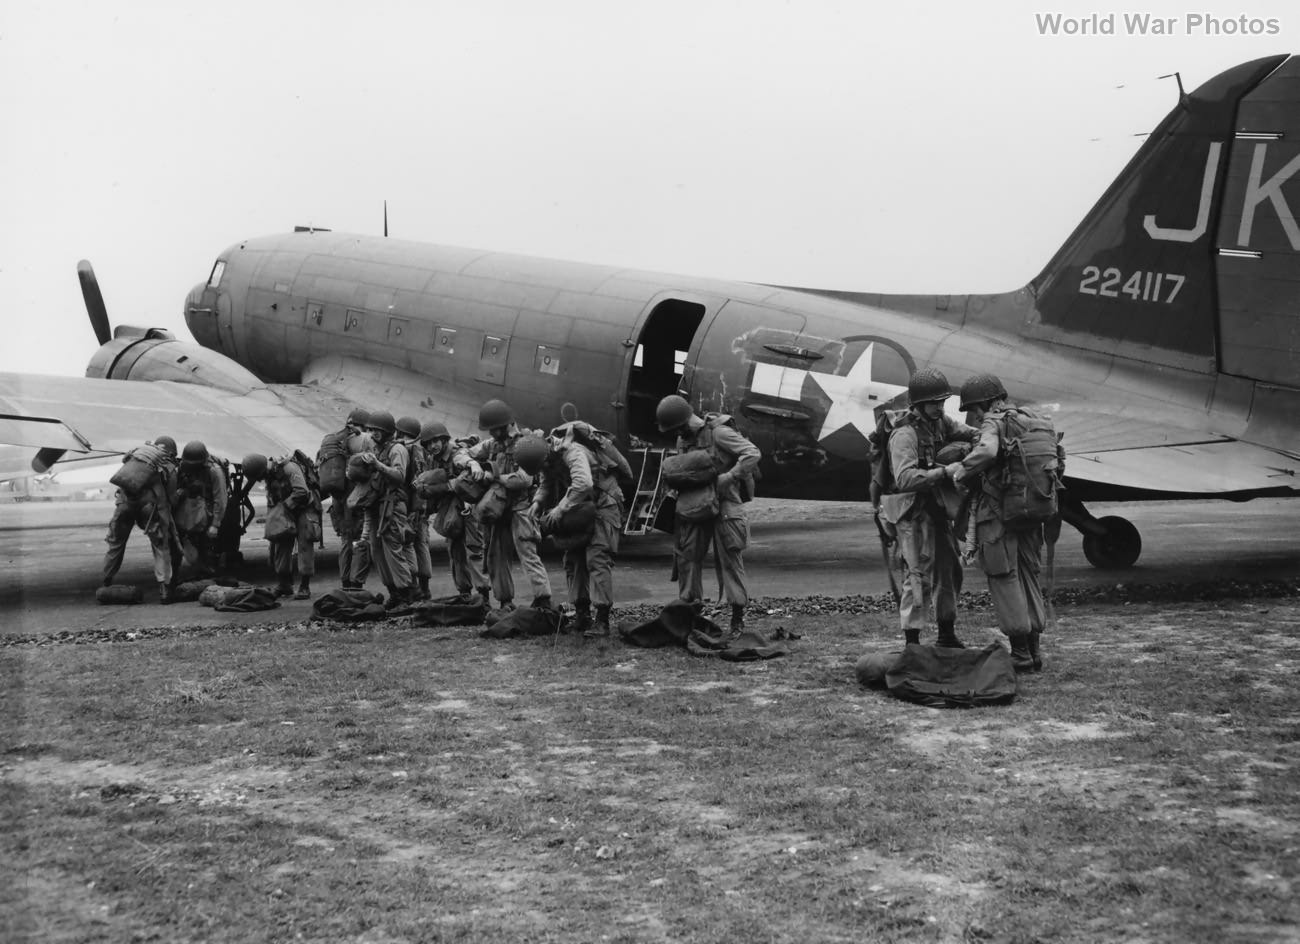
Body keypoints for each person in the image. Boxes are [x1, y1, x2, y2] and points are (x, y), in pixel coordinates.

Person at [947, 374, 1064, 672]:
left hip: (997, 516)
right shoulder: (1032, 418)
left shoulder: (994, 422)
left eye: (973, 409)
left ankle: (1021, 654)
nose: (973, 417)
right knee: (1028, 576)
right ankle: (1035, 651)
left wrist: (961, 470)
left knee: (1004, 577)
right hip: (1028, 511)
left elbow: (986, 451)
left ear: (984, 403)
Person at [879, 367, 979, 648]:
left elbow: (971, 433)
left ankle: (946, 633)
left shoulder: (940, 423)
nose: (940, 407)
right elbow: (905, 478)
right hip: (911, 512)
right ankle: (912, 641)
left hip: (936, 509)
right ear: (919, 404)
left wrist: (978, 446)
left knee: (950, 570)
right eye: (934, 402)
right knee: (917, 576)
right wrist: (944, 472)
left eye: (942, 402)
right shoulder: (904, 435)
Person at [655, 395, 761, 637]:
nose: (679, 433)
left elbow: (752, 453)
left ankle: (736, 620)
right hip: (696, 505)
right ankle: (690, 615)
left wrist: (731, 476)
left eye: (679, 428)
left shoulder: (719, 433)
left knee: (730, 562)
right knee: (687, 559)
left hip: (725, 506)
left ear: (685, 421)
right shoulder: (683, 439)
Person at [534, 421, 632, 638]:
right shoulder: (546, 459)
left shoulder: (572, 452)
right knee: (573, 558)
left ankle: (602, 620)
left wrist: (560, 509)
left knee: (596, 558)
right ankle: (581, 614)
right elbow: (545, 484)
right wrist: (536, 503)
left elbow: (583, 483)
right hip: (581, 506)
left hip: (604, 504)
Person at [454, 399, 553, 613]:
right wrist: (471, 463)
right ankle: (505, 601)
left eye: (495, 429)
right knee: (496, 555)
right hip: (497, 508)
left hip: (521, 507)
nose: (492, 434)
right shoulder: (493, 445)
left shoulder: (527, 443)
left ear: (507, 425)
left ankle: (543, 599)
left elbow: (524, 480)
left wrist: (492, 477)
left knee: (527, 552)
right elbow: (460, 455)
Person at [102, 435, 181, 603]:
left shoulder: (135, 456)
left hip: (124, 505)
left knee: (115, 544)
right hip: (149, 510)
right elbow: (172, 499)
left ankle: (105, 581)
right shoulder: (167, 465)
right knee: (161, 546)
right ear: (172, 452)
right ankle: (165, 589)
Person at [422, 419, 491, 606]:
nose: (432, 446)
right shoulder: (433, 459)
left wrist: (473, 465)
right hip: (451, 508)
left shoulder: (456, 452)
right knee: (455, 551)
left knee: (474, 550)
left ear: (444, 440)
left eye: (435, 441)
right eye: (428, 443)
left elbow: (464, 459)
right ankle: (464, 593)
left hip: (469, 507)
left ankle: (483, 595)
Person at [358, 410, 417, 608]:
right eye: (371, 430)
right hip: (376, 504)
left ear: (387, 431)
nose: (373, 434)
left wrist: (377, 465)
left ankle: (406, 594)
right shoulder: (375, 448)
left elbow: (399, 476)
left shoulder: (397, 449)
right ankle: (393, 593)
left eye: (377, 430)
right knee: (377, 551)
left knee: (394, 550)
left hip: (392, 505)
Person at [244, 451, 321, 599]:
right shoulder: (269, 474)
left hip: (304, 508)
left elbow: (302, 492)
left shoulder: (289, 468)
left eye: (259, 476)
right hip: (286, 510)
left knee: (305, 545)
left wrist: (285, 507)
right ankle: (284, 584)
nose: (260, 480)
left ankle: (305, 586)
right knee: (280, 544)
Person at [319, 407, 373, 589]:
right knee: (359, 542)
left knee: (345, 542)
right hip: (354, 500)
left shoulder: (334, 442)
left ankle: (345, 581)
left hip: (338, 502)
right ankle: (356, 583)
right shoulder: (358, 441)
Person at [172, 440, 229, 578]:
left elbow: (220, 499)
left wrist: (215, 524)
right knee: (181, 548)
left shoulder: (214, 471)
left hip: (207, 517)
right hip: (189, 514)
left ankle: (209, 578)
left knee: (207, 552)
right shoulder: (184, 467)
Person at [395, 415, 433, 600]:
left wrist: (412, 509)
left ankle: (416, 586)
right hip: (422, 505)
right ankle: (425, 588)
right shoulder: (423, 450)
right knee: (422, 544)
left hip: (412, 506)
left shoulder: (407, 449)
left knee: (409, 544)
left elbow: (411, 481)